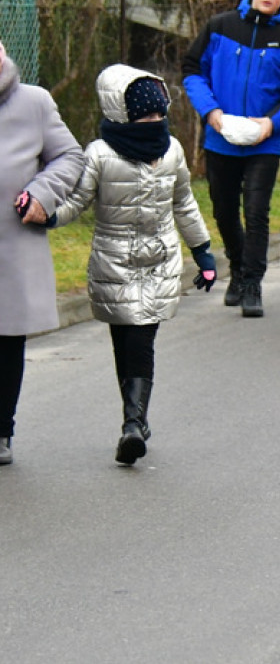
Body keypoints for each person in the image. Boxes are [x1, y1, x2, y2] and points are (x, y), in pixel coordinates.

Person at [51, 65, 215, 465]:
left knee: (142, 338)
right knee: (123, 342)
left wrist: (203, 251)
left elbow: (184, 203)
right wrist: (47, 215)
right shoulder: (100, 154)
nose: (153, 121)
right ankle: (135, 420)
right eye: (145, 114)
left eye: (159, 114)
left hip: (159, 260)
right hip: (114, 261)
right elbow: (77, 201)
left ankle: (132, 423)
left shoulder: (172, 149)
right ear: (121, 111)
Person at [183, 0, 280, 318]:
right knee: (223, 210)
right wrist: (212, 112)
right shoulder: (219, 27)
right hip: (221, 137)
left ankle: (252, 283)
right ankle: (237, 268)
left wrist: (273, 124)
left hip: (263, 141)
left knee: (256, 211)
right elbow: (192, 70)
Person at [0, 41, 84, 466]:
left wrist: (41, 194)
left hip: (11, 241)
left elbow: (70, 157)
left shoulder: (33, 102)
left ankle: (1, 430)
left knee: (6, 337)